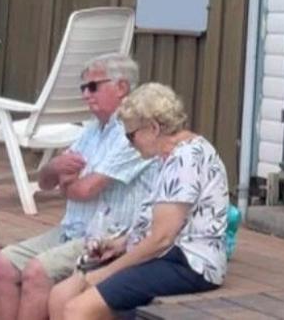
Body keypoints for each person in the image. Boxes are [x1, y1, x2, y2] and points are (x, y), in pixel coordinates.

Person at [0, 54, 153, 320]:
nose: (86, 95)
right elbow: (44, 182)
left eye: (93, 86)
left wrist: (67, 182)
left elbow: (86, 191)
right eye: (83, 88)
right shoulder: (90, 131)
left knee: (37, 272)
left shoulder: (132, 133)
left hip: (106, 238)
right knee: (1, 264)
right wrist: (55, 167)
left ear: (121, 87)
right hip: (72, 230)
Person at [48, 83, 231, 318]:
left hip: (188, 264)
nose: (128, 143)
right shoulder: (169, 156)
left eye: (130, 135)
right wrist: (122, 243)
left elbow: (162, 239)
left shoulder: (186, 159)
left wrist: (104, 274)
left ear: (153, 128)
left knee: (78, 308)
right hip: (166, 256)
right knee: (61, 295)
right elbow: (163, 228)